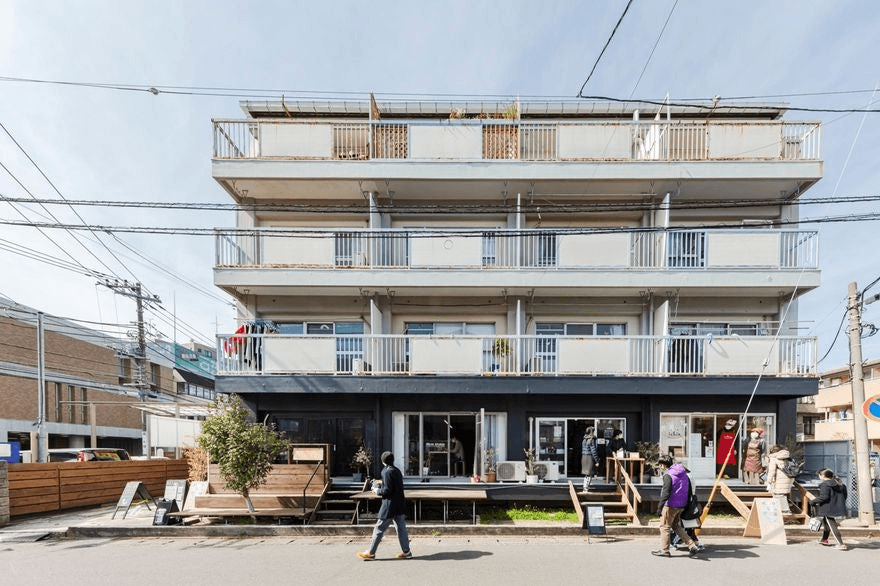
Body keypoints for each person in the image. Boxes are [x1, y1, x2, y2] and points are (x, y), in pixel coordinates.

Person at [357, 451, 413, 560]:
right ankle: (407, 552)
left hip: (389, 505)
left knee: (379, 528)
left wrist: (377, 490)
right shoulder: (396, 470)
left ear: (383, 461)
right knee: (401, 529)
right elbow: (392, 485)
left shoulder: (386, 471)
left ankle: (371, 553)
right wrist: (381, 484)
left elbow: (387, 490)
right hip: (399, 504)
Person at [651, 455, 700, 557]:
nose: (659, 467)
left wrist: (659, 508)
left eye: (660, 465)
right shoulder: (683, 473)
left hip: (670, 505)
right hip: (681, 505)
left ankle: (665, 550)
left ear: (663, 465)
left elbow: (666, 493)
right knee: (676, 526)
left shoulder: (668, 475)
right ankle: (692, 545)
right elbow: (688, 490)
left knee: (664, 527)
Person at [810, 468, 848, 550]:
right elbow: (845, 496)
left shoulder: (825, 484)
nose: (819, 477)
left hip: (827, 508)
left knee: (832, 525)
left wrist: (813, 501)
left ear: (823, 475)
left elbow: (824, 497)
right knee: (827, 524)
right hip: (837, 507)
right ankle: (824, 540)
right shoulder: (841, 484)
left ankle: (840, 544)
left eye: (819, 475)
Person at [765, 444, 794, 513]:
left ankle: (785, 511)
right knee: (782, 494)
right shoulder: (786, 455)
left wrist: (768, 481)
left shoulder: (773, 457)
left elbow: (771, 471)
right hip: (789, 477)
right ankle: (782, 508)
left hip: (780, 479)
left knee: (779, 494)